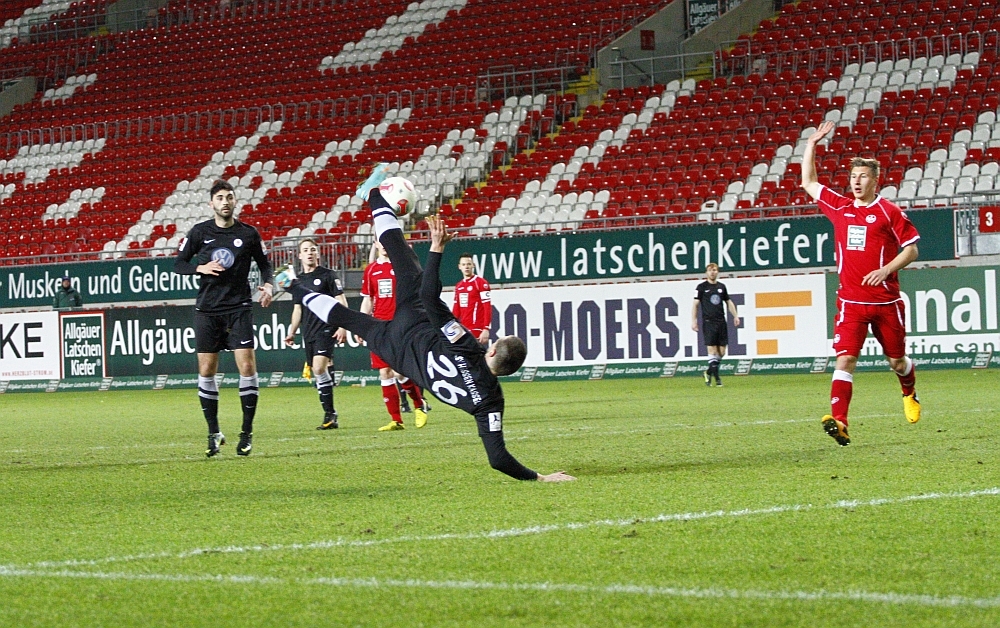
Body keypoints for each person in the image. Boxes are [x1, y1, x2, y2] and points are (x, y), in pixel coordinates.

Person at [274, 168, 574, 482]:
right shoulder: (491, 401)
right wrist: (541, 478)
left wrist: (436, 249)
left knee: (401, 256)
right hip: (396, 352)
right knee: (347, 318)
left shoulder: (468, 347)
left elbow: (430, 298)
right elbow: (498, 459)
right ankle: (292, 284)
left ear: (493, 349)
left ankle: (373, 195)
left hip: (413, 322)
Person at [802, 120, 921, 446]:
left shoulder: (888, 211)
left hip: (885, 302)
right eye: (853, 176)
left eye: (863, 176)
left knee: (897, 361)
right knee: (845, 359)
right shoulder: (840, 207)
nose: (856, 181)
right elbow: (809, 182)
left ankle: (909, 392)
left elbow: (911, 249)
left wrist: (886, 270)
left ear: (874, 180)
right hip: (851, 302)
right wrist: (811, 144)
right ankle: (840, 421)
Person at [174, 180, 274, 457]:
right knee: (206, 370)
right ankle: (213, 432)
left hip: (238, 307)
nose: (225, 202)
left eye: (229, 197)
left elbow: (265, 265)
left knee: (247, 366)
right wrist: (200, 267)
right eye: (220, 198)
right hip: (207, 310)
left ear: (235, 201)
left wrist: (268, 285)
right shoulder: (199, 232)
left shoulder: (248, 233)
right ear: (211, 203)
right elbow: (178, 264)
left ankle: (246, 433)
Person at [360, 239, 430, 431]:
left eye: (387, 240)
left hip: (400, 324)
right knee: (385, 372)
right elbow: (368, 300)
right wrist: (362, 324)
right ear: (375, 243)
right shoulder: (371, 270)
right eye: (380, 241)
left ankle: (419, 405)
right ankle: (396, 420)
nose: (384, 244)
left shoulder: (401, 266)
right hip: (378, 326)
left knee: (400, 371)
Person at [283, 237, 348, 430]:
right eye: (305, 250)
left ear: (317, 253)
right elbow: (298, 309)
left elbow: (341, 300)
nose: (309, 253)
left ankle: (330, 413)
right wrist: (292, 331)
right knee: (317, 371)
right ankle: (330, 414)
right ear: (299, 255)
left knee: (319, 368)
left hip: (326, 327)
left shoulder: (328, 275)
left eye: (312, 249)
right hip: (309, 331)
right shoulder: (298, 281)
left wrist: (343, 326)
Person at [691, 263, 740, 387]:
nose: (712, 272)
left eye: (714, 270)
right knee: (712, 350)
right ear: (706, 273)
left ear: (717, 272)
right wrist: (693, 321)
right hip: (709, 322)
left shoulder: (721, 287)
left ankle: (708, 372)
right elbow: (695, 305)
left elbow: (728, 302)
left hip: (721, 322)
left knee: (721, 352)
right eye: (710, 270)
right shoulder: (701, 287)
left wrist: (735, 315)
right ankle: (717, 379)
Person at [452, 252, 493, 346]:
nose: (466, 267)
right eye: (463, 264)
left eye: (468, 264)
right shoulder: (459, 286)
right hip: (463, 330)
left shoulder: (480, 283)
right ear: (459, 267)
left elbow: (487, 307)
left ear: (473, 265)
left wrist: (486, 329)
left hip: (477, 329)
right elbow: (456, 310)